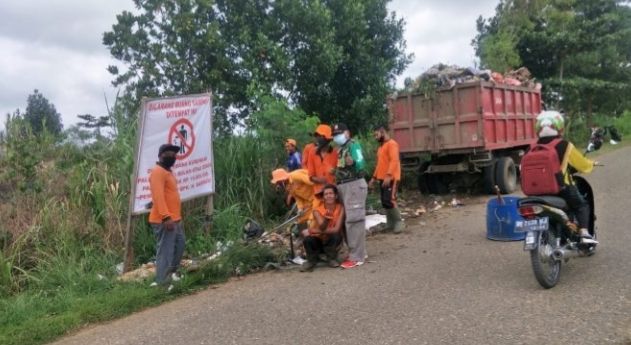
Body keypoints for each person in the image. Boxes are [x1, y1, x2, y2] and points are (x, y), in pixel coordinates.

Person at [534, 111, 598, 244]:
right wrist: (591, 164)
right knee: (582, 205)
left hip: (535, 191)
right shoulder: (565, 145)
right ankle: (585, 234)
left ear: (537, 128)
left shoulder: (532, 147)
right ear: (560, 128)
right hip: (561, 188)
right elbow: (582, 165)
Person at [149, 144, 186, 285]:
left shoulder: (168, 172)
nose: (172, 156)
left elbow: (165, 194)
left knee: (180, 245)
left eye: (174, 154)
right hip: (164, 220)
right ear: (161, 155)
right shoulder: (157, 171)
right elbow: (158, 195)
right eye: (168, 153)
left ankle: (171, 274)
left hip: (175, 219)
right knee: (165, 252)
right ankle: (162, 282)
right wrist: (166, 216)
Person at [331, 123, 368, 269]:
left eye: (338, 133)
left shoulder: (353, 145)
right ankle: (358, 252)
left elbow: (360, 162)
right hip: (345, 186)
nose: (336, 137)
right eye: (334, 135)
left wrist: (354, 163)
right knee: (348, 220)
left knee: (354, 220)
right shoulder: (340, 149)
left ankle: (356, 257)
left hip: (353, 184)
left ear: (347, 133)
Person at [300, 184, 345, 272]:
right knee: (308, 240)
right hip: (319, 240)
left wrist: (311, 230)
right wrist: (326, 219)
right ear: (323, 197)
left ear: (335, 196)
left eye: (331, 193)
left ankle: (331, 258)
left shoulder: (340, 208)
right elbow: (323, 227)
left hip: (331, 241)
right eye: (326, 194)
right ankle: (311, 261)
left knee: (336, 235)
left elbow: (336, 229)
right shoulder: (317, 210)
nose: (328, 196)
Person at [369, 124, 403, 233]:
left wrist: (388, 176)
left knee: (390, 200)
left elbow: (394, 161)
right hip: (382, 178)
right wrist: (374, 178)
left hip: (391, 178)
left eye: (376, 135)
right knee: (385, 201)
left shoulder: (392, 144)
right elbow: (379, 165)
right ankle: (390, 223)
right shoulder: (381, 147)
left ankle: (399, 222)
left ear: (382, 132)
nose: (376, 137)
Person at [270, 168, 314, 233]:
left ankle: (315, 237)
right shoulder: (288, 186)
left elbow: (313, 182)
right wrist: (300, 209)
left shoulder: (296, 176)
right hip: (308, 202)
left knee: (312, 220)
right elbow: (298, 198)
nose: (277, 184)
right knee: (301, 220)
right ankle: (303, 239)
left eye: (278, 182)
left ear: (282, 179)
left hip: (317, 197)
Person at [305, 124, 338, 196]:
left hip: (333, 192)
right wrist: (319, 180)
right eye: (317, 136)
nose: (318, 139)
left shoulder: (336, 153)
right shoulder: (312, 153)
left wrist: (335, 172)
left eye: (320, 136)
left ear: (327, 139)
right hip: (318, 193)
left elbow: (339, 173)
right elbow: (311, 176)